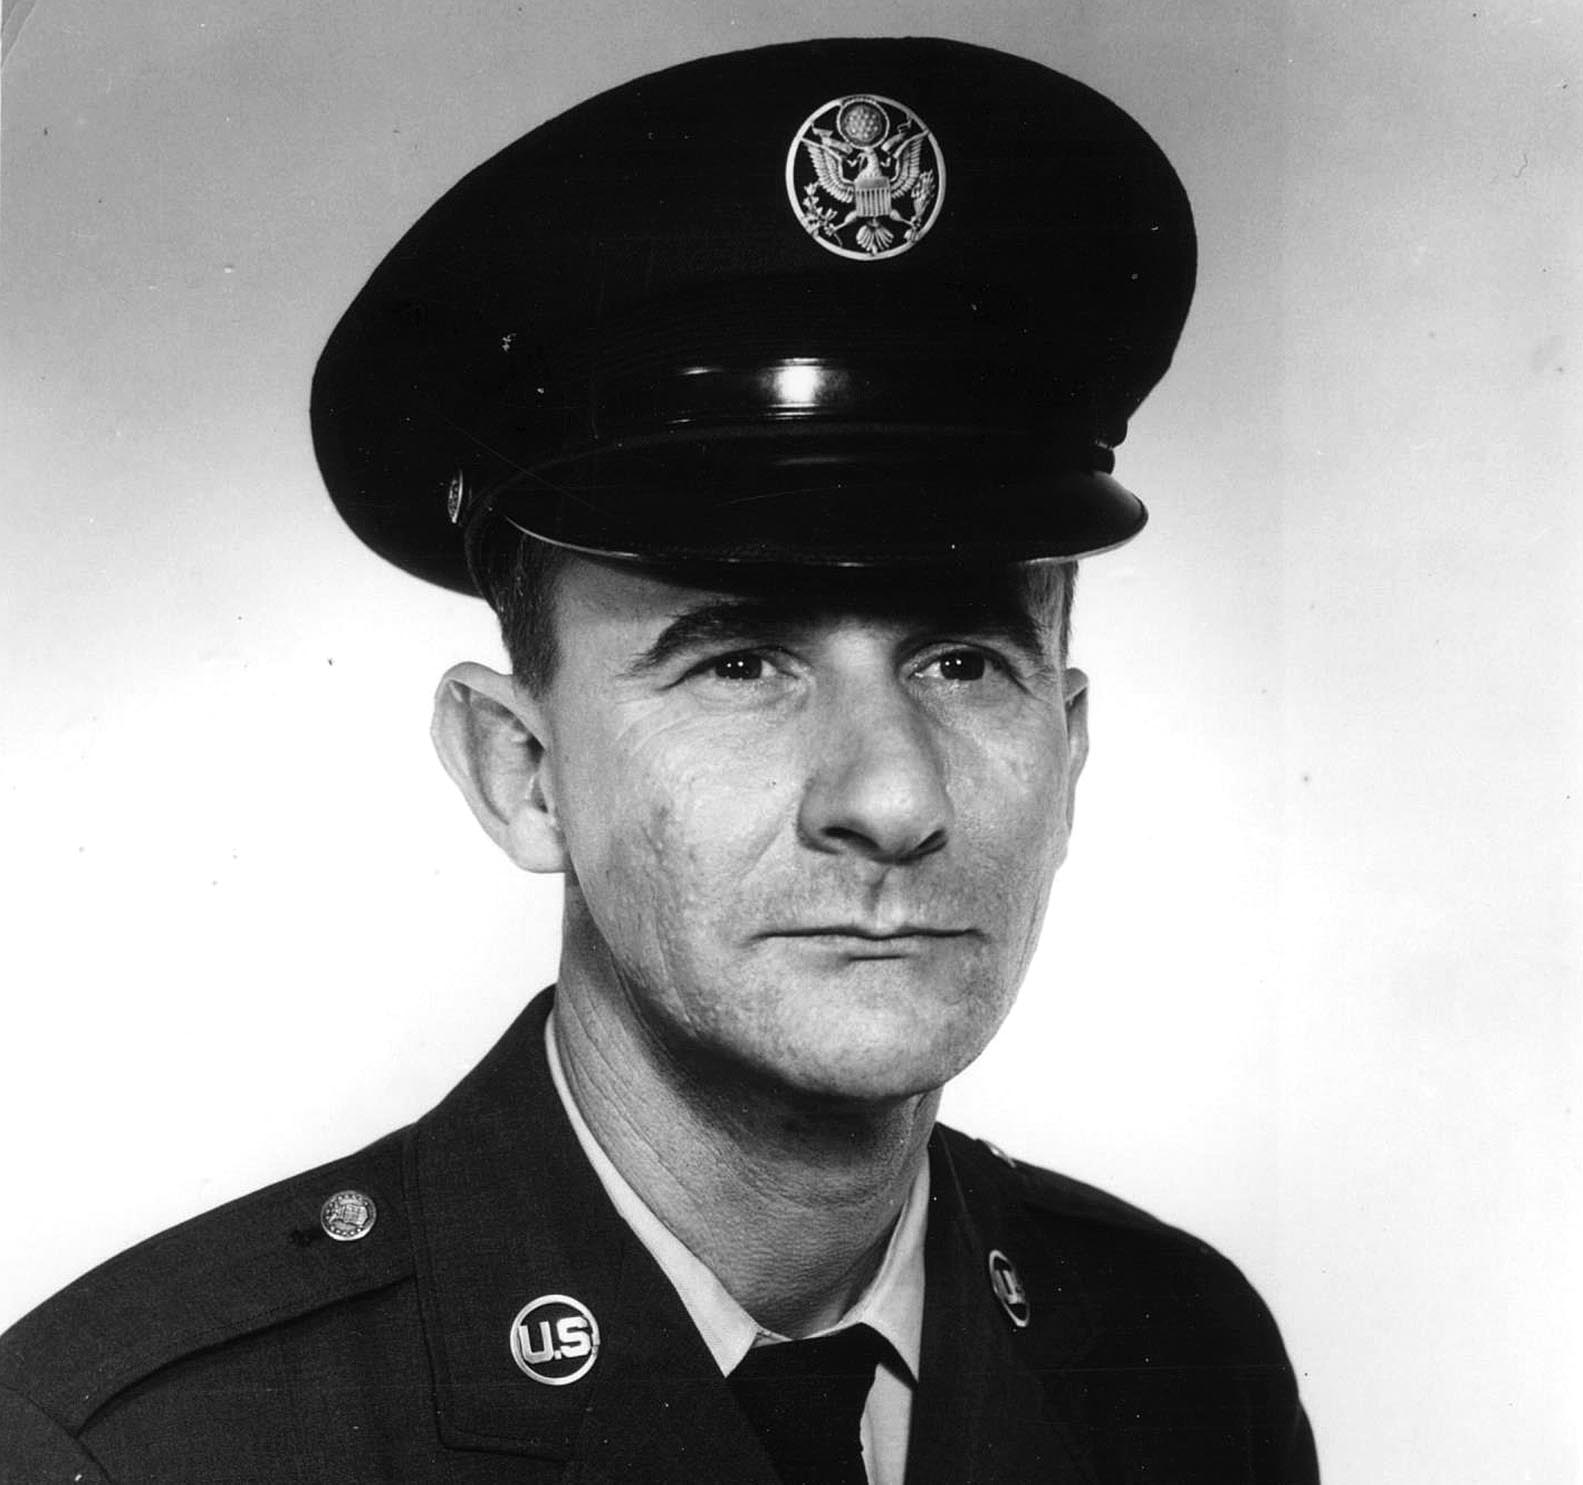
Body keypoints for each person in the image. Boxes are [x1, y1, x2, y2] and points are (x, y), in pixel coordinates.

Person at [0, 37, 1318, 1484]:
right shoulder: (152, 1449)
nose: (892, 798)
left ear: (1068, 755)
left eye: (962, 661)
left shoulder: (1186, 1367)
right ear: (522, 771)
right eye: (741, 662)